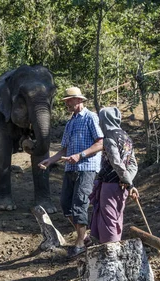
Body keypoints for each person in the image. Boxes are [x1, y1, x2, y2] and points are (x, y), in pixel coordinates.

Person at [38, 87, 103, 258]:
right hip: (71, 168)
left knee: (79, 205)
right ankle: (85, 237)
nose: (67, 103)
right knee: (66, 204)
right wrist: (50, 160)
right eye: (66, 100)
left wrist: (80, 155)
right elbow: (64, 149)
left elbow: (100, 143)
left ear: (79, 100)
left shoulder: (90, 118)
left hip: (86, 167)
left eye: (69, 100)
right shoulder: (70, 122)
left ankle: (80, 243)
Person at [89, 107, 139, 244]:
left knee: (108, 218)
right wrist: (127, 180)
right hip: (121, 185)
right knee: (116, 217)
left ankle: (110, 251)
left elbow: (116, 162)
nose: (99, 123)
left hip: (110, 185)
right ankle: (110, 247)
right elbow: (133, 164)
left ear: (105, 120)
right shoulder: (126, 137)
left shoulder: (109, 138)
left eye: (101, 120)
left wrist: (129, 184)